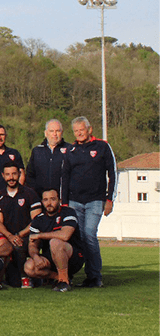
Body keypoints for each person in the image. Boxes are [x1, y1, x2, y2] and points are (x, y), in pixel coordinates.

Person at [62, 116, 116, 288]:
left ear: (89, 129)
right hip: (74, 201)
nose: (79, 133)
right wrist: (64, 203)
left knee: (89, 235)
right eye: (76, 131)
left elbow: (113, 173)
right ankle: (72, 274)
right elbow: (65, 177)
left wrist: (110, 199)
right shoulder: (70, 151)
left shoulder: (102, 146)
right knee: (78, 237)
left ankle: (94, 276)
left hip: (95, 200)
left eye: (81, 130)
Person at [0, 162, 42, 287]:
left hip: (27, 237)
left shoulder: (30, 194)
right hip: (8, 238)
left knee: (19, 246)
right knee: (13, 282)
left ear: (19, 174)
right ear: (3, 176)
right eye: (8, 174)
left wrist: (19, 235)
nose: (11, 177)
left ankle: (26, 277)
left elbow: (37, 220)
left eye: (14, 174)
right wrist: (10, 236)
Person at [24, 189, 85, 292]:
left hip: (73, 256)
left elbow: (65, 235)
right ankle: (59, 278)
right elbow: (32, 245)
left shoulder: (68, 212)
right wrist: (35, 257)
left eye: (52, 199)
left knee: (55, 242)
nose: (49, 203)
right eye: (46, 200)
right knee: (29, 267)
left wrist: (40, 236)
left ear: (59, 200)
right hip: (51, 258)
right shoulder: (38, 219)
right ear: (42, 202)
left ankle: (64, 282)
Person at [25, 119, 70, 195]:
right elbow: (30, 175)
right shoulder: (37, 151)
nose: (55, 134)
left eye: (58, 131)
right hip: (40, 197)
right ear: (46, 133)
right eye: (51, 131)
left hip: (63, 199)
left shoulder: (70, 150)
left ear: (62, 133)